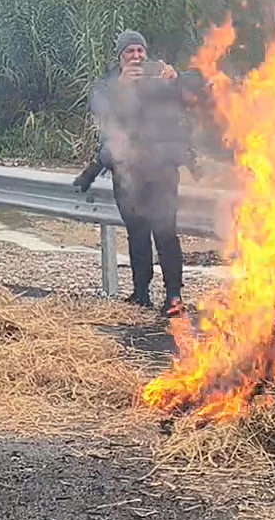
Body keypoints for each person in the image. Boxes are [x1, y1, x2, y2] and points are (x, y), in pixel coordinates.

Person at [85, 29, 201, 317]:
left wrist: (178, 79)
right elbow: (97, 105)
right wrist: (121, 88)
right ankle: (141, 295)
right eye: (129, 52)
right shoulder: (110, 83)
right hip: (128, 173)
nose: (136, 57)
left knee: (165, 233)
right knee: (137, 233)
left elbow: (198, 91)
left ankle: (173, 295)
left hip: (162, 171)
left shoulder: (161, 78)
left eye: (140, 51)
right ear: (120, 56)